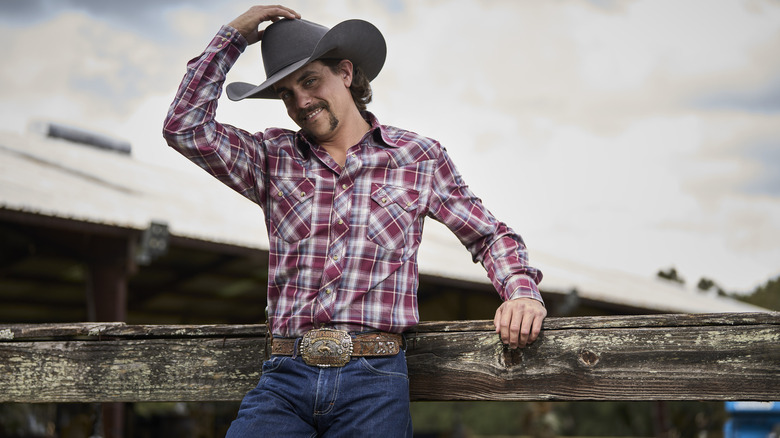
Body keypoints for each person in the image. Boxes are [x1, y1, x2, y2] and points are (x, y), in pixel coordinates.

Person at [163, 5, 546, 437]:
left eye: (310, 81)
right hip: (284, 378)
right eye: (287, 93)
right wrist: (232, 37)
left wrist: (521, 293)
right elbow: (184, 127)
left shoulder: (418, 158)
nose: (301, 101)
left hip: (375, 382)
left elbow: (490, 235)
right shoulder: (271, 158)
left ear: (345, 73)